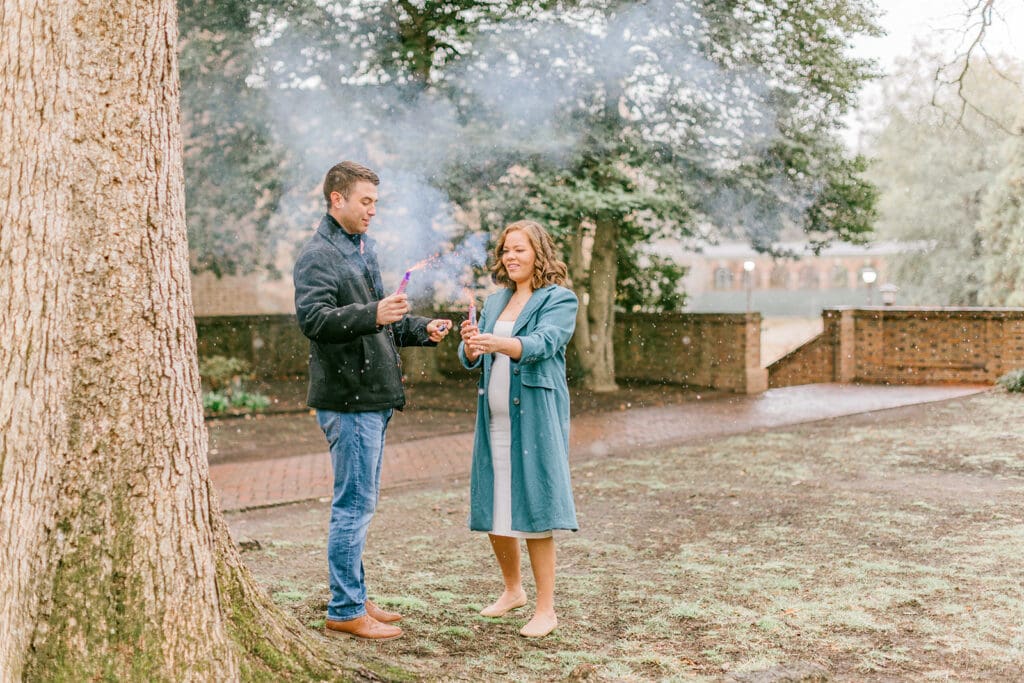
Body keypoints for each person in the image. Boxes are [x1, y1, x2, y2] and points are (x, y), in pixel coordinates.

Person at [294, 161, 452, 640]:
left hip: (372, 398)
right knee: (354, 506)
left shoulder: (362, 249)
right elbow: (314, 321)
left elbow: (380, 319)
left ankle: (355, 596)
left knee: (361, 502)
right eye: (365, 201)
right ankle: (344, 609)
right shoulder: (318, 255)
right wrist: (372, 312)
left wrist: (422, 328)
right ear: (336, 199)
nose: (373, 211)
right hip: (349, 401)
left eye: (376, 203)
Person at [458, 219, 579, 638]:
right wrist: (471, 344)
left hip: (534, 417)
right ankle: (513, 591)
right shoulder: (495, 302)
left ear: (539, 253)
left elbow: (546, 343)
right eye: (506, 250)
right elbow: (475, 356)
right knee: (495, 502)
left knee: (535, 507)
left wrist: (499, 344)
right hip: (494, 420)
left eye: (519, 249)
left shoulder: (558, 299)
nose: (510, 257)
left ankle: (546, 609)